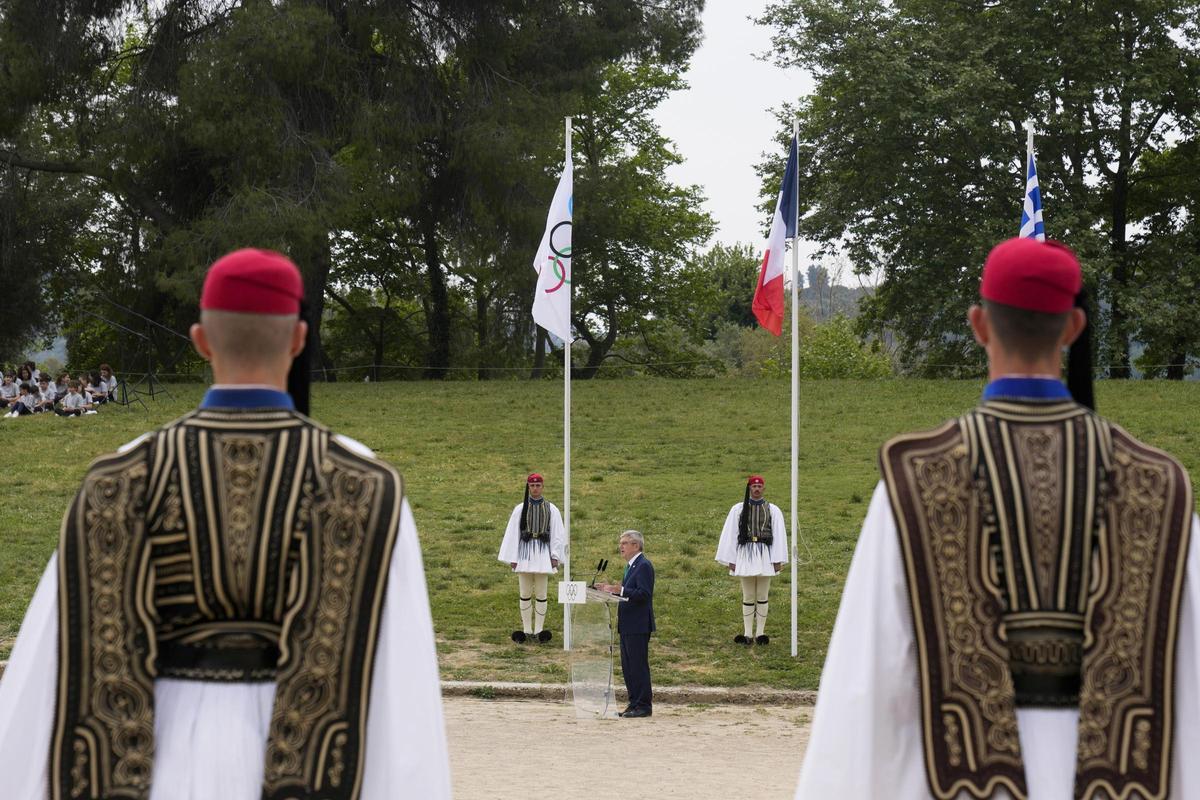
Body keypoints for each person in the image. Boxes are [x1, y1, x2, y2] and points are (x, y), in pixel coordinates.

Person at [0, 248, 451, 800]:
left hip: (150, 768)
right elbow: (401, 680)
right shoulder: (363, 483)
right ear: (298, 340)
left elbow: (52, 665)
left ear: (201, 341)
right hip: (313, 771)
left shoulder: (121, 477)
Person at [795, 237, 1199, 799]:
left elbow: (866, 683)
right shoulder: (1158, 486)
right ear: (1075, 328)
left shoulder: (917, 480)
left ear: (979, 325)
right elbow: (1188, 675)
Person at [715, 475, 788, 645]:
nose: (756, 489)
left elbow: (779, 535)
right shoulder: (738, 509)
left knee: (762, 594)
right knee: (748, 595)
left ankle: (761, 633)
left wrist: (778, 559)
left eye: (759, 486)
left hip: (765, 555)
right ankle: (747, 634)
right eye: (753, 486)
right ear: (749, 488)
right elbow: (731, 534)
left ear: (763, 488)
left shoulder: (773, 510)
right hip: (745, 554)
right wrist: (731, 559)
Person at [497, 472, 566, 643]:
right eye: (532, 486)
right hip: (525, 554)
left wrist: (555, 555)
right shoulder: (520, 509)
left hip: (543, 553)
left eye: (538, 485)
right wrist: (513, 556)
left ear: (542, 487)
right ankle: (527, 630)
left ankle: (539, 630)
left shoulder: (552, 509)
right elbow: (513, 533)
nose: (535, 489)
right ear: (529, 487)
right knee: (525, 592)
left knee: (542, 593)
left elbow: (557, 534)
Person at [596, 530, 656, 718]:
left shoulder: (643, 565)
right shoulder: (631, 566)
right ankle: (634, 703)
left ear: (636, 545)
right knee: (629, 667)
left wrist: (620, 589)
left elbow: (644, 594)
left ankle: (643, 705)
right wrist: (609, 591)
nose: (620, 546)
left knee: (638, 665)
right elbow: (629, 592)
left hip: (638, 624)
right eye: (620, 543)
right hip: (628, 624)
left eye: (624, 543)